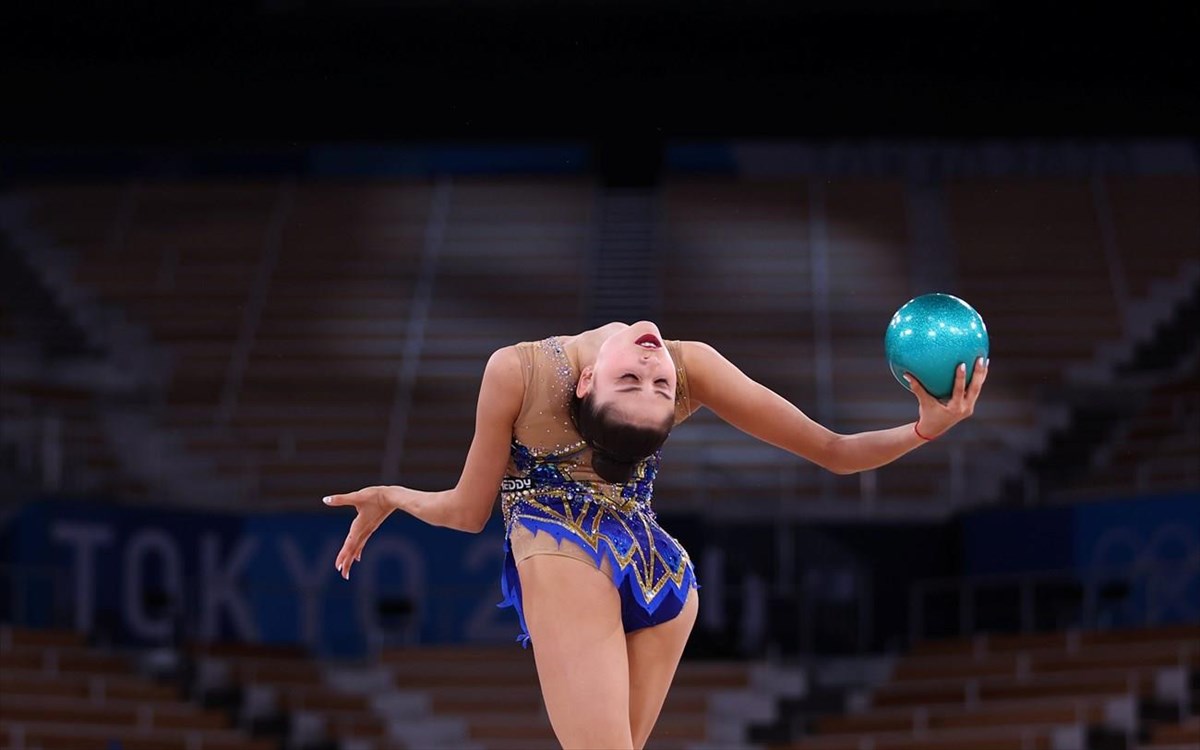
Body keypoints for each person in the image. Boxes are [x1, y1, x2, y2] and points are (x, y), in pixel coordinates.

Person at [323, 320, 988, 749]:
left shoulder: (674, 365)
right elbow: (469, 513)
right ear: (583, 383)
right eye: (643, 380)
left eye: (654, 382)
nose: (651, 360)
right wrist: (395, 497)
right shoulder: (520, 373)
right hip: (578, 558)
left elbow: (835, 452)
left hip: (646, 564)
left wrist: (927, 427)